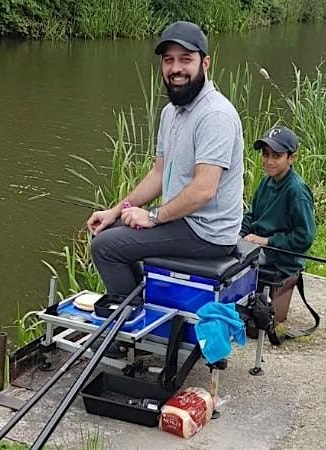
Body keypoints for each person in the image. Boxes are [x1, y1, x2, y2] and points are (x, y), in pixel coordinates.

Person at [87, 21, 245, 297]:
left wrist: (153, 216)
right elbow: (158, 175)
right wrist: (116, 211)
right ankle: (141, 300)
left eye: (186, 59)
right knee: (106, 230)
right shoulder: (171, 113)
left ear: (205, 63)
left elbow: (204, 190)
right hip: (183, 222)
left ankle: (130, 317)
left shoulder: (215, 115)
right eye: (168, 60)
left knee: (105, 247)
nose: (176, 68)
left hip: (208, 233)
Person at [241, 126, 316, 279]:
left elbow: (304, 237)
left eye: (276, 156)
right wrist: (239, 234)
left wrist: (266, 241)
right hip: (258, 246)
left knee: (234, 263)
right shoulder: (266, 181)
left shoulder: (297, 191)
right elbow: (251, 215)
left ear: (291, 158)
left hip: (280, 258)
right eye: (265, 154)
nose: (269, 161)